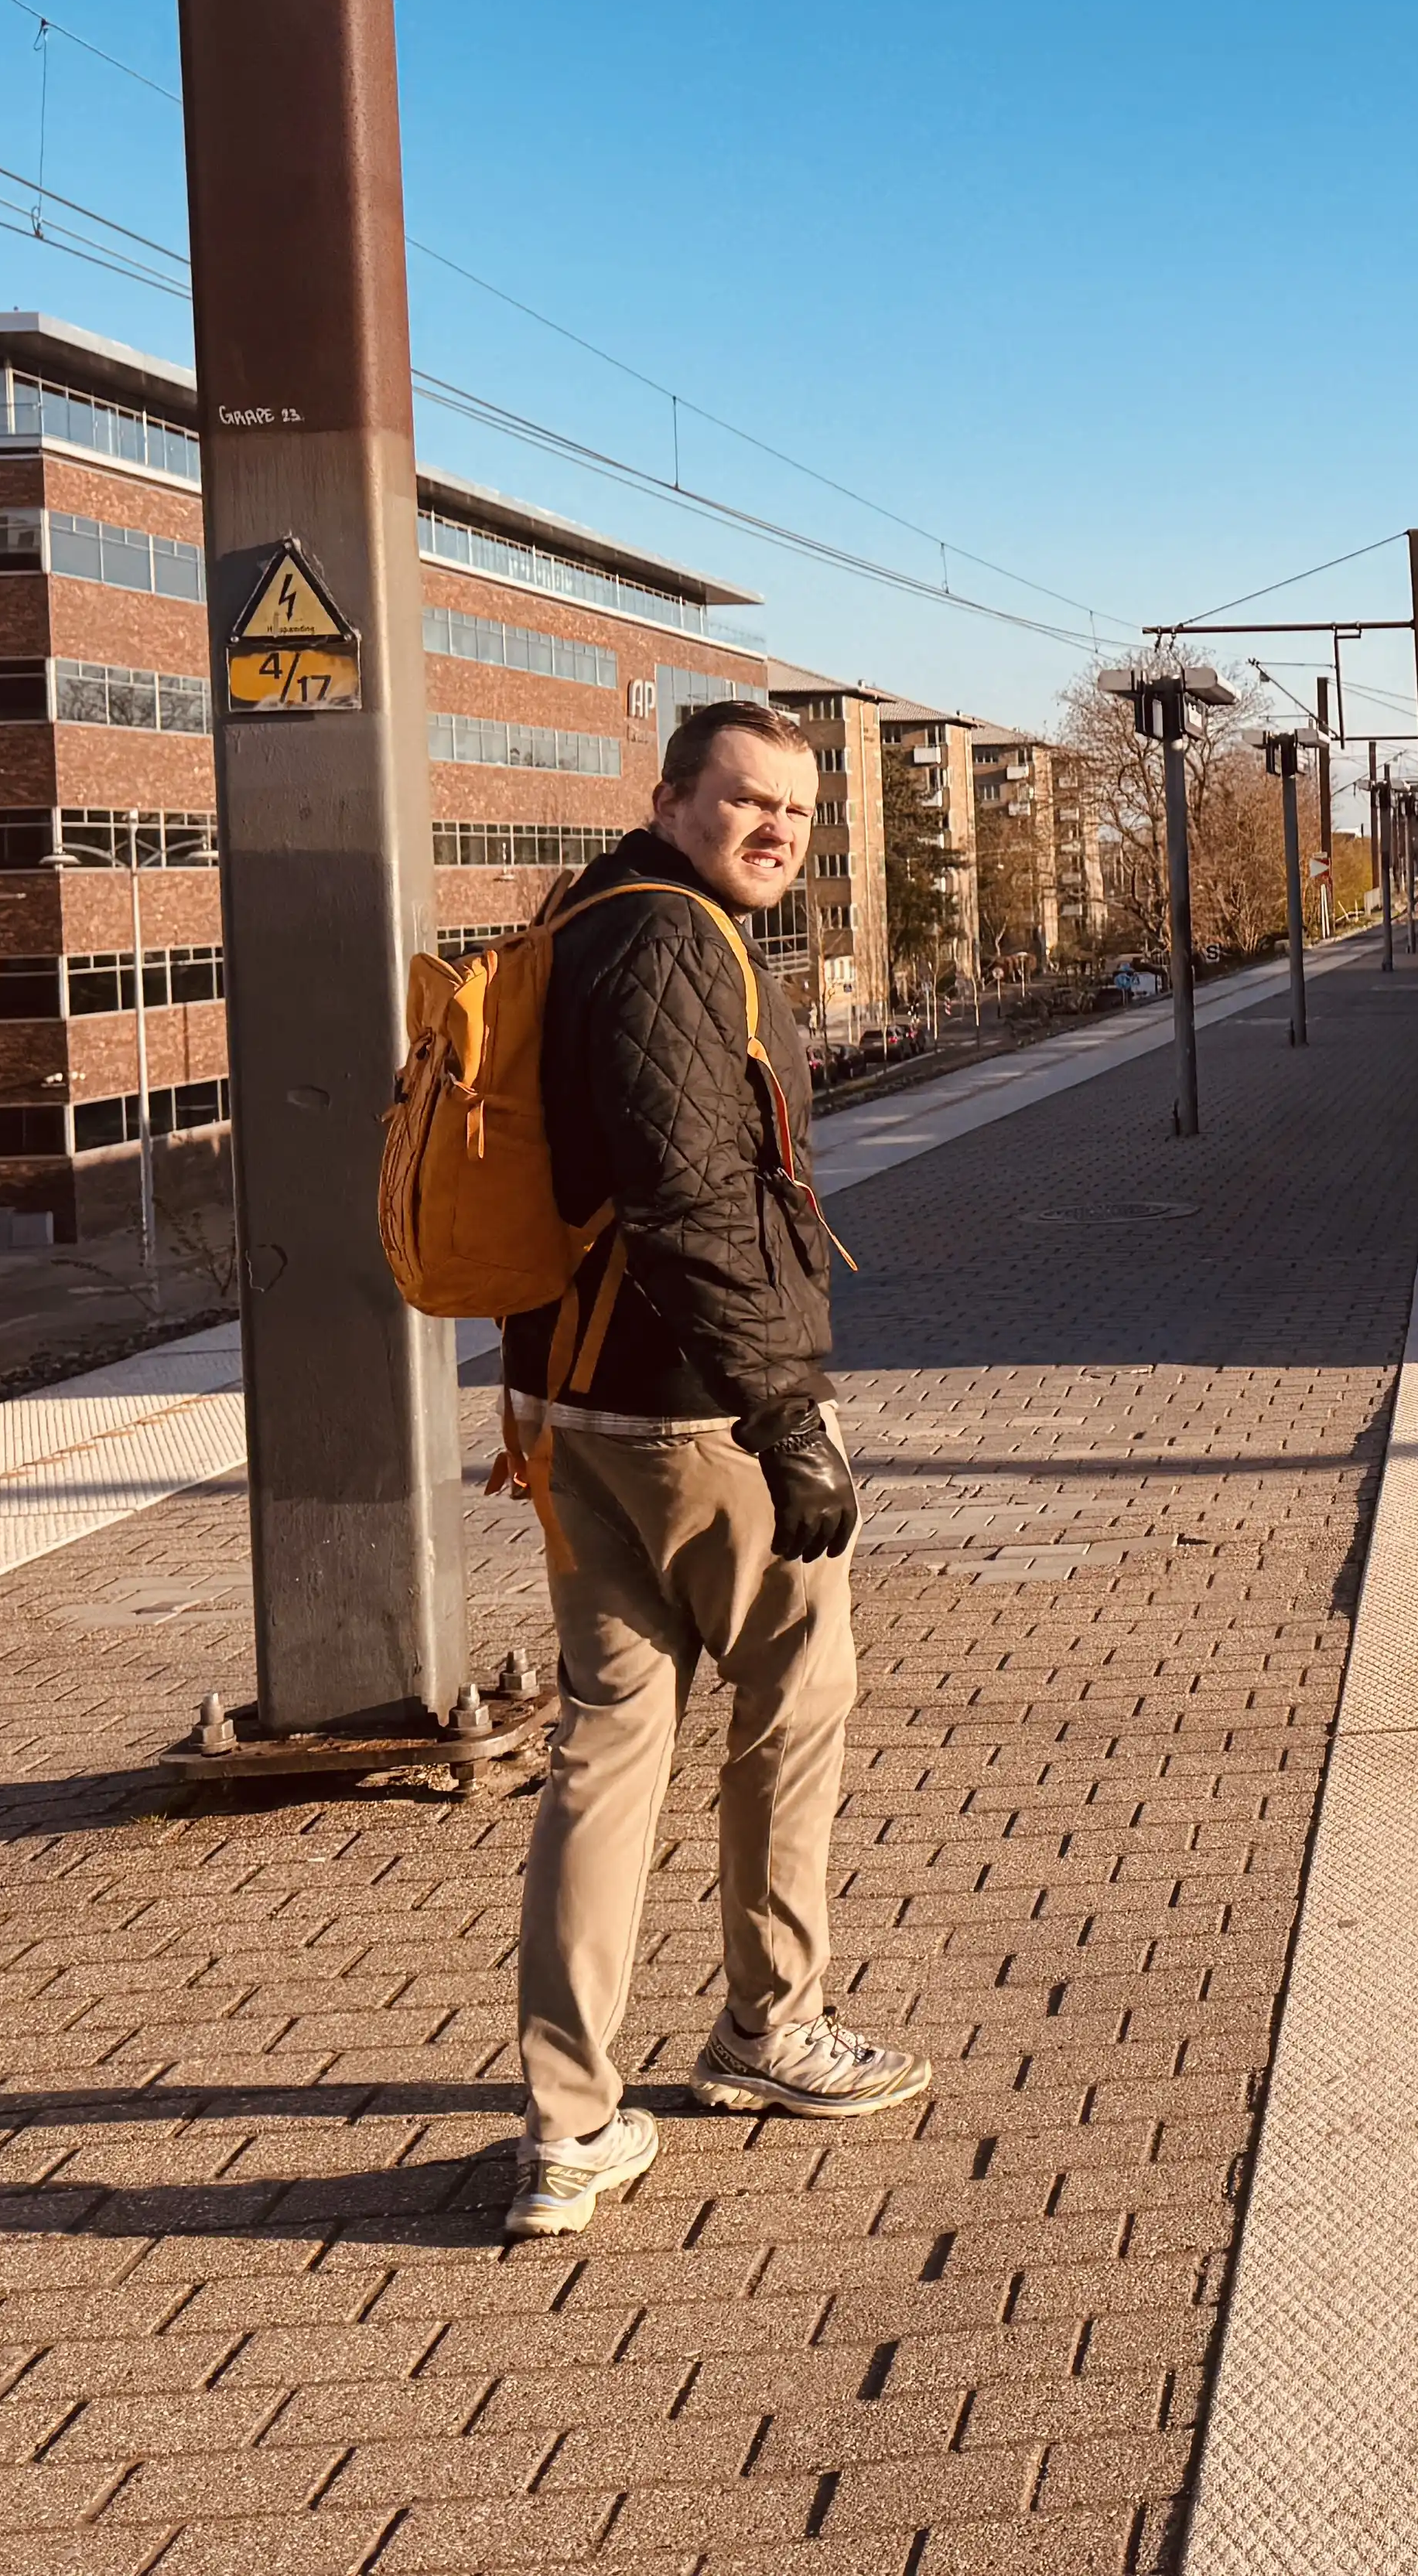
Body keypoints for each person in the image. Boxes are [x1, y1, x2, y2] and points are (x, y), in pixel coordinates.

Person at [501, 699, 930, 2241]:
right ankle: (771, 2025)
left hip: (569, 1404)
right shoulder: (678, 942)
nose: (772, 833)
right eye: (743, 802)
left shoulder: (580, 912)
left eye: (794, 816)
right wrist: (788, 1415)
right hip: (694, 1419)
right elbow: (688, 1201)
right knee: (796, 1703)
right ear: (672, 796)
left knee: (608, 1748)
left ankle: (569, 2128)